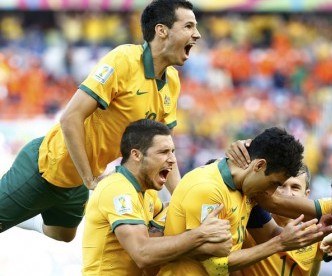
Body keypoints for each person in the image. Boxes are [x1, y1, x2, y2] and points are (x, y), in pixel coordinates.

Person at [0, 0, 201, 242]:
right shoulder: (123, 60)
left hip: (79, 180)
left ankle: (24, 219)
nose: (197, 34)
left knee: (63, 235)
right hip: (47, 168)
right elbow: (70, 117)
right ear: (162, 30)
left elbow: (163, 149)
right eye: (189, 26)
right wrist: (89, 179)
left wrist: (180, 199)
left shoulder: (172, 81)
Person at [158, 127, 332, 275]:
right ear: (258, 165)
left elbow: (271, 234)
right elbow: (215, 266)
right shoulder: (208, 190)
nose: (272, 193)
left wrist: (315, 232)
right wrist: (278, 244)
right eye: (274, 184)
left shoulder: (246, 190)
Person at [82, 119, 232, 275]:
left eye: (173, 152)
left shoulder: (148, 192)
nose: (173, 159)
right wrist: (201, 234)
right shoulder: (117, 189)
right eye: (163, 152)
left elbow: (171, 215)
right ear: (136, 155)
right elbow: (142, 253)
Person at [239, 165, 324, 276]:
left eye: (295, 187)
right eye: (281, 185)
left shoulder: (314, 231)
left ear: (306, 195)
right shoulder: (247, 225)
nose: (287, 193)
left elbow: (315, 262)